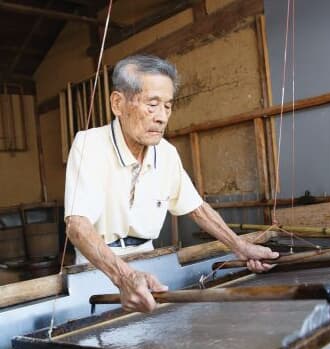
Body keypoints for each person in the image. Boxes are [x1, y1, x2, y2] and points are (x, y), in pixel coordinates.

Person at [64, 54, 279, 313]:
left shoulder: (165, 153)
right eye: (152, 104)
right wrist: (123, 277)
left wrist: (241, 247)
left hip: (150, 261)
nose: (162, 117)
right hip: (97, 268)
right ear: (118, 103)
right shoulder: (89, 144)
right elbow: (77, 226)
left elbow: (197, 209)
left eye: (167, 106)